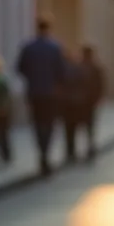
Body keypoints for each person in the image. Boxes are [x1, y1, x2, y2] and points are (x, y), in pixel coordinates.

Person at [16, 17, 70, 176]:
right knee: (49, 124)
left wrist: (33, 78)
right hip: (51, 94)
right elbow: (63, 72)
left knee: (37, 123)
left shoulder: (29, 47)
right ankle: (45, 153)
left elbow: (20, 68)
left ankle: (42, 152)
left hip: (34, 92)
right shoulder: (55, 47)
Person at [78, 45, 105, 161]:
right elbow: (101, 85)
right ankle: (90, 147)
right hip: (89, 101)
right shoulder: (95, 67)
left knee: (86, 125)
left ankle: (88, 147)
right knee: (89, 125)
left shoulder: (80, 67)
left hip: (83, 101)